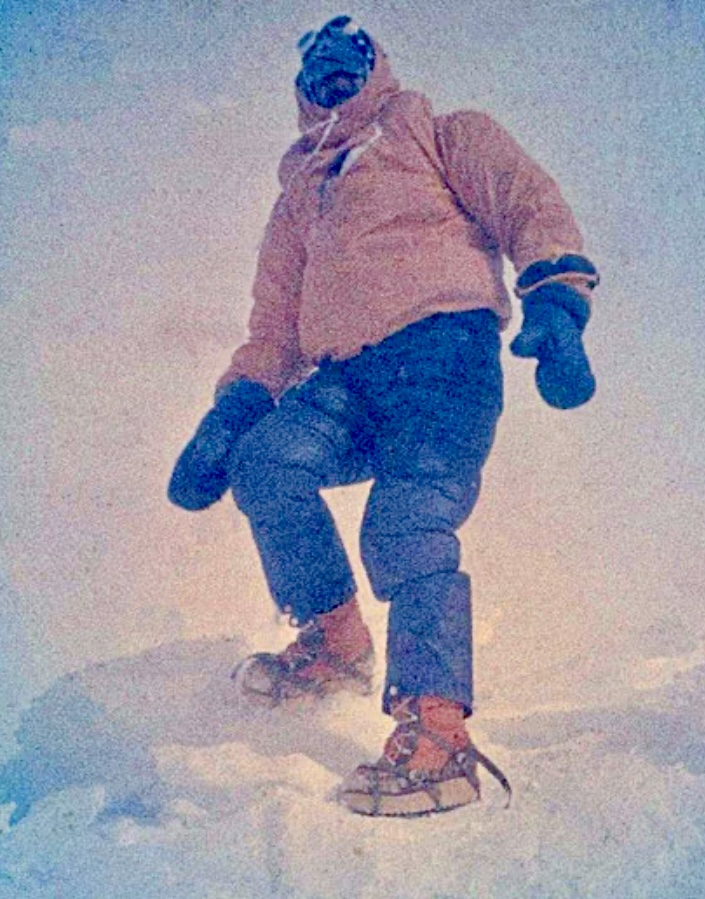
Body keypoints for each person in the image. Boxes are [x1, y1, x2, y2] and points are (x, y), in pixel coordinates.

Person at [168, 15, 598, 817]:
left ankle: (438, 732)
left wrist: (556, 299)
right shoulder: (300, 195)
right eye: (317, 73)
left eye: (347, 66)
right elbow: (274, 328)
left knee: (402, 525)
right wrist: (229, 415)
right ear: (302, 91)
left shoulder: (437, 133)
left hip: (442, 355)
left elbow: (524, 201)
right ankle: (335, 641)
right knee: (268, 460)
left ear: (375, 71)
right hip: (346, 376)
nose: (333, 82)